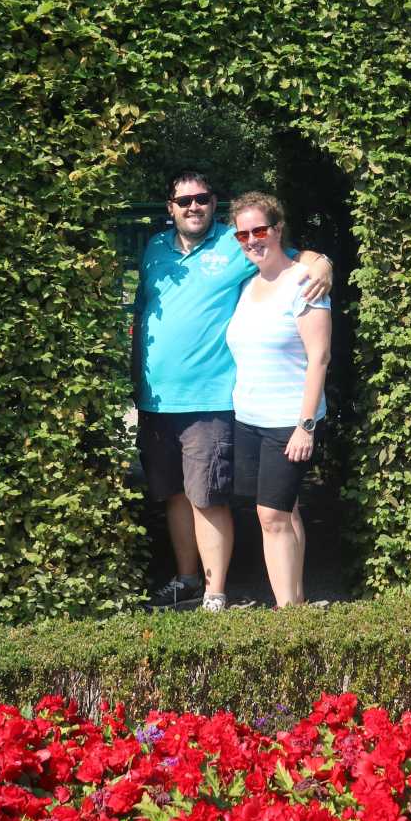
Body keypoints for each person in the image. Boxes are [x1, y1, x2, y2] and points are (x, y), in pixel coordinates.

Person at [132, 170, 331, 611]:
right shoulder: (155, 249)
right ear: (170, 208)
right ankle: (187, 581)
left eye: (202, 199)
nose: (194, 207)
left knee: (209, 497)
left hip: (210, 400)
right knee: (175, 495)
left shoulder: (234, 242)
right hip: (157, 400)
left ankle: (216, 592)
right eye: (184, 201)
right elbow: (143, 313)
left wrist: (324, 265)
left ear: (213, 203)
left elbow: (293, 256)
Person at [225, 192, 332, 608]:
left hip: (288, 421)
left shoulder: (305, 282)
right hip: (249, 418)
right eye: (243, 234)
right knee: (285, 510)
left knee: (270, 516)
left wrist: (306, 425)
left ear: (278, 229)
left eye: (260, 230)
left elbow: (319, 357)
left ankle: (287, 616)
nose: (252, 240)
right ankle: (298, 604)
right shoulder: (246, 284)